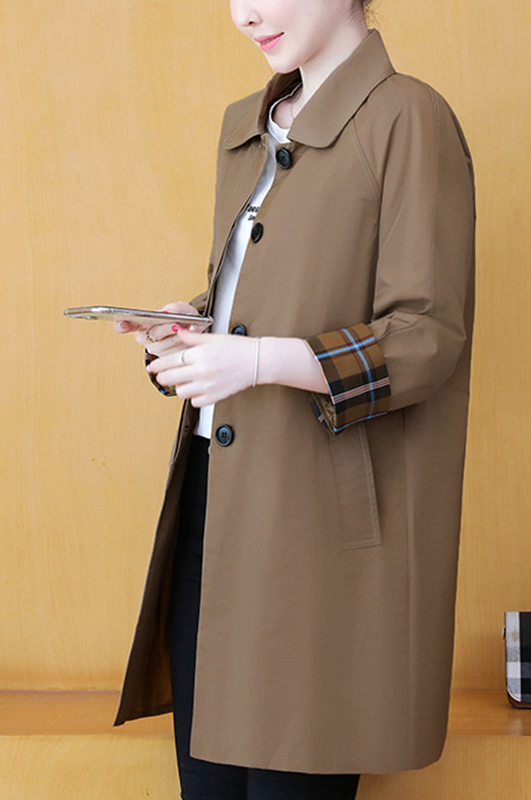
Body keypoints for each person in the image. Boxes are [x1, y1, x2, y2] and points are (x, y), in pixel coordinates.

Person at [113, 1, 476, 798]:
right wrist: (190, 328)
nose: (246, 13)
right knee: (208, 784)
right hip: (213, 504)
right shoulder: (246, 125)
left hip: (315, 526)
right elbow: (266, 296)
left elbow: (426, 339)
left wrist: (255, 361)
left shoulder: (408, 117)